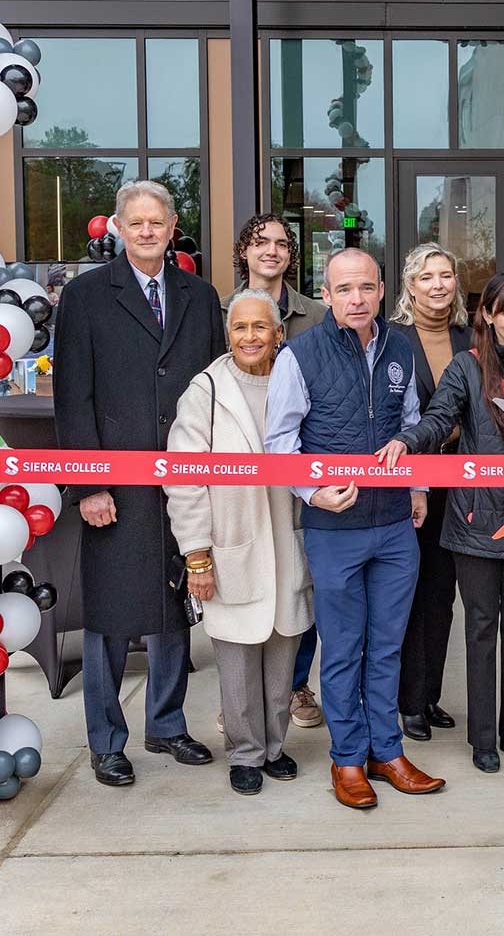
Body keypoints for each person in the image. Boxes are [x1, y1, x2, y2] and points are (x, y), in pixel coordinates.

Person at [54, 180, 226, 787]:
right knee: (110, 613)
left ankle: (167, 724)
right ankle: (106, 740)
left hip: (184, 478)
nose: (148, 232)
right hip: (116, 484)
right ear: (118, 229)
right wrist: (89, 485)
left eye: (158, 222)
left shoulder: (201, 296)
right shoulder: (86, 297)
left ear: (173, 224)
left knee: (174, 602)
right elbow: (74, 399)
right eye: (136, 223)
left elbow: (215, 388)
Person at [264, 248, 444, 809]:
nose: (357, 299)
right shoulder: (299, 354)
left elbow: (412, 423)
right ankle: (347, 759)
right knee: (343, 649)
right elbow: (279, 443)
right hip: (333, 528)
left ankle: (385, 753)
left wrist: (418, 489)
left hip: (393, 525)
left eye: (366, 287)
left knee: (388, 646)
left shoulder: (401, 347)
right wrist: (312, 491)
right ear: (326, 294)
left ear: (384, 289)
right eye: (345, 289)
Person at [377, 272, 504, 773]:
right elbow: (440, 417)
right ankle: (483, 739)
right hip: (474, 522)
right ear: (487, 315)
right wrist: (410, 442)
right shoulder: (467, 368)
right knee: (481, 628)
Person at [165, 289, 313, 795]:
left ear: (278, 333)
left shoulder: (297, 379)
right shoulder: (206, 389)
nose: (250, 337)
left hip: (287, 541)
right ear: (228, 334)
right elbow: (184, 479)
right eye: (239, 328)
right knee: (237, 662)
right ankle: (245, 753)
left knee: (280, 660)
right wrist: (197, 554)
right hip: (231, 545)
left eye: (260, 327)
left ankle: (275, 747)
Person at [223, 212, 329, 731]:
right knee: (244, 580)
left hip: (299, 466)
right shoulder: (219, 310)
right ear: (244, 251)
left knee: (297, 579)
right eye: (261, 242)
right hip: (240, 472)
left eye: (283, 244)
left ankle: (294, 684)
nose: (272, 251)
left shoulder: (314, 313)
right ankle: (240, 700)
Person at [389, 242, 471, 742]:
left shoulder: (470, 336)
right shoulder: (393, 339)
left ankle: (431, 694)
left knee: (444, 594)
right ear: (409, 285)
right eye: (426, 277)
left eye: (445, 275)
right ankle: (409, 701)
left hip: (462, 484)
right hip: (411, 484)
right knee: (412, 594)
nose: (438, 285)